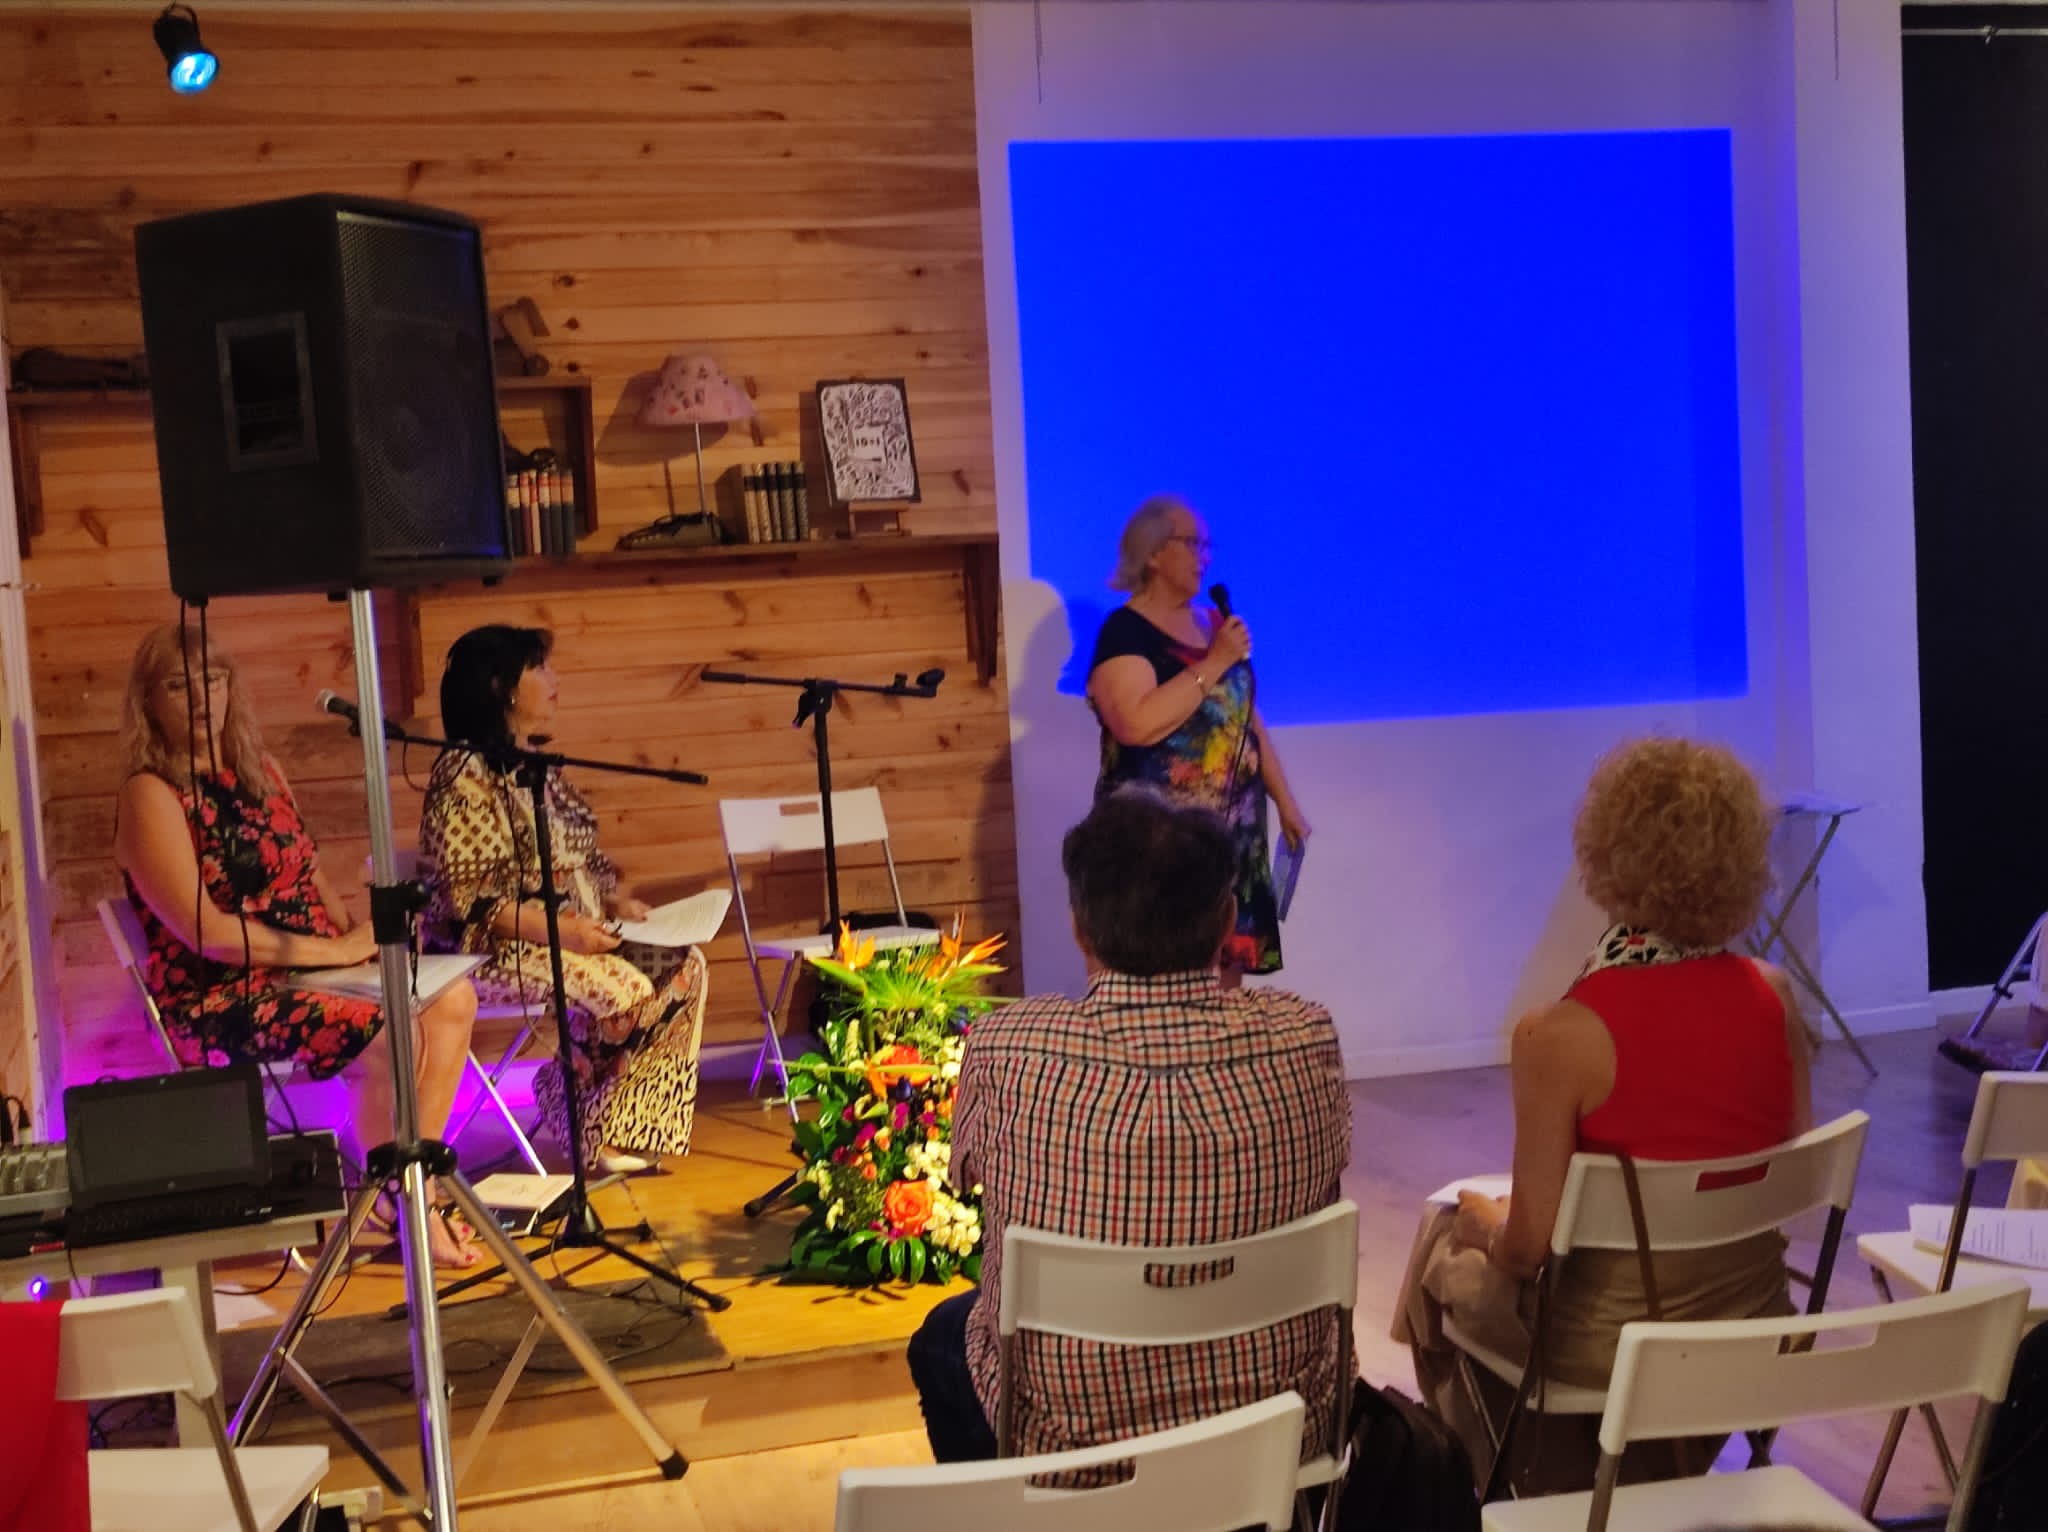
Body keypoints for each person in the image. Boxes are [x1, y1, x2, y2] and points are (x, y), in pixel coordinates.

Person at [1396, 736, 1815, 1494]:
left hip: (1609, 1343)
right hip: (1752, 1321)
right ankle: (1646, 1472)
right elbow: (1790, 1161)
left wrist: (1483, 1222)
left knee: (1440, 1243)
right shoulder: (1774, 993)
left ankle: (1505, 1490)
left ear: (1605, 855)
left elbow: (1526, 1251)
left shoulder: (1557, 1034)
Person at [906, 786, 1352, 1470]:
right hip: (1279, 1435)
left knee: (942, 1336)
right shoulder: (1306, 1035)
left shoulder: (1006, 1045)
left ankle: (1014, 1510)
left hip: (1067, 1452)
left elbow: (967, 1178)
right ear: (1227, 920)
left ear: (1079, 928)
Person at [113, 623, 482, 1267]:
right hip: (223, 994)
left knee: (454, 1000)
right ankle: (405, 1204)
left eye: (213, 679)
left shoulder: (262, 772)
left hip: (312, 969)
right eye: (179, 685)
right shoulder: (151, 793)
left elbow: (309, 878)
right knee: (389, 1031)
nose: (201, 697)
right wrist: (335, 955)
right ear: (149, 701)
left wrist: (358, 940)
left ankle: (408, 1188)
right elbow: (209, 934)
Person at [417, 624, 708, 1176]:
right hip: (492, 948)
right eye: (539, 669)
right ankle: (580, 1113)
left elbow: (578, 860)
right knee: (624, 986)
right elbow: (466, 898)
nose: (555, 681)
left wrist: (614, 904)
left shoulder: (537, 766)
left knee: (685, 967)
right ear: (501, 687)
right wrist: (565, 932)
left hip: (567, 932)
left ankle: (610, 1117)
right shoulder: (463, 772)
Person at [1086, 495, 1309, 980]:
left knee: (1224, 982)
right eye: (1191, 544)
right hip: (1158, 844)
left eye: (1207, 546)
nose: (1203, 557)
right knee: (1154, 971)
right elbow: (1136, 723)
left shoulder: (1214, 625)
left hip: (1231, 838)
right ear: (1152, 552)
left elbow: (1242, 718)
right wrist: (1216, 661)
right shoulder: (1125, 632)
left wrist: (1285, 801)